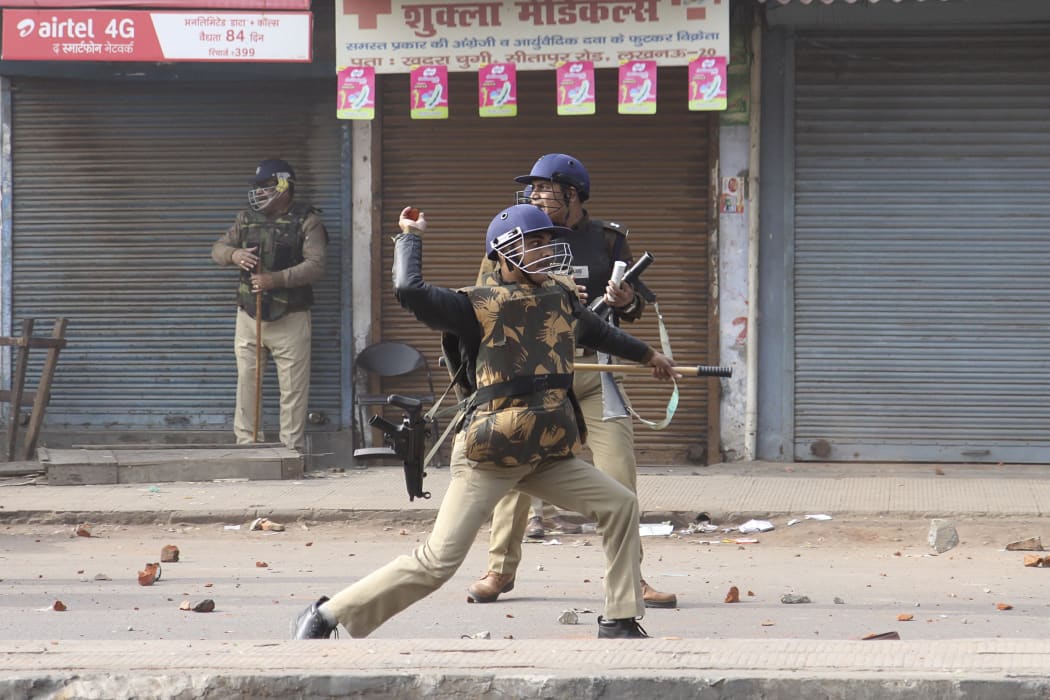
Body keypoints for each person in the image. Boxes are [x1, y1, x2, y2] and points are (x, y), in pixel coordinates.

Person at [292, 203, 677, 640]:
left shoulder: (559, 297)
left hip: (545, 452)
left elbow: (601, 333)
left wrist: (650, 356)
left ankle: (620, 618)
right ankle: (325, 615)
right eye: (535, 242)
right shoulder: (474, 305)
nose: (548, 248)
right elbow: (410, 290)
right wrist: (411, 236)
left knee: (620, 503)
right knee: (438, 561)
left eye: (549, 240)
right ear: (506, 251)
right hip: (489, 455)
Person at [465, 153, 678, 609]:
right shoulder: (513, 233)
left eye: (545, 188)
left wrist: (623, 300)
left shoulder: (607, 240)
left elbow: (631, 309)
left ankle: (631, 578)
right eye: (533, 189)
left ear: (573, 194)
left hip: (595, 369)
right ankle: (499, 570)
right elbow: (485, 299)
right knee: (515, 468)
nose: (535, 196)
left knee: (620, 474)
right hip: (536, 373)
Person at [211, 158, 327, 452]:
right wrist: (235, 255)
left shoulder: (307, 221)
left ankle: (291, 451)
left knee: (293, 390)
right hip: (249, 316)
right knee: (247, 384)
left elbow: (316, 265)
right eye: (258, 188)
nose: (260, 193)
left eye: (266, 187)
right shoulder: (245, 219)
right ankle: (247, 446)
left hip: (291, 317)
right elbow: (217, 249)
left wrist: (275, 280)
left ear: (284, 187)